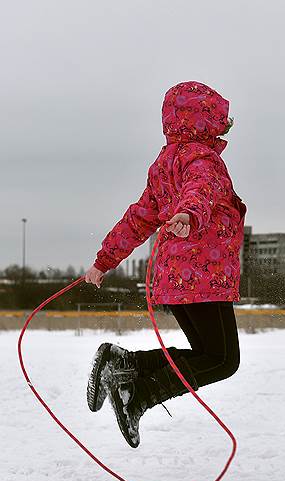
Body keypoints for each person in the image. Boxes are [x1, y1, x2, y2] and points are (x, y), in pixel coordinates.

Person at [84, 81, 247, 448]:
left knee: (208, 355)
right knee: (223, 360)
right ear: (202, 121)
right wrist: (190, 213)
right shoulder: (202, 160)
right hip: (202, 277)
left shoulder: (163, 164)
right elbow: (201, 189)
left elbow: (138, 218)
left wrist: (104, 261)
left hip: (173, 281)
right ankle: (137, 394)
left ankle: (123, 362)